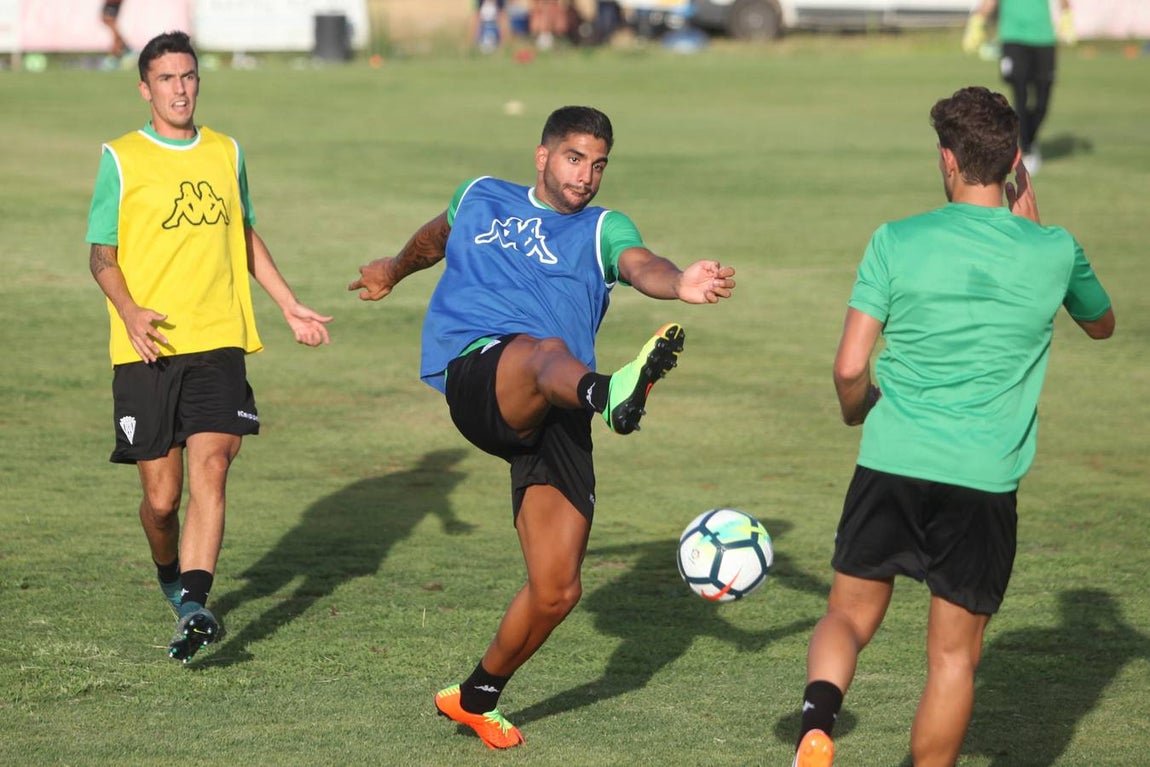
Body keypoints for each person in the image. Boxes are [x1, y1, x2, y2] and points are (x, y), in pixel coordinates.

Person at [349, 105, 735, 749]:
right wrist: (392, 268)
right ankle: (608, 392)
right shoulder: (481, 195)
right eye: (574, 159)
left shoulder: (601, 228)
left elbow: (642, 264)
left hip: (561, 404)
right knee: (546, 348)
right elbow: (436, 236)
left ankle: (475, 696)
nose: (586, 176)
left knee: (557, 589)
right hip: (483, 372)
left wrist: (680, 284)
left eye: (599, 164)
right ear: (543, 156)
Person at [791, 86, 1113, 767]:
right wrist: (1036, 223)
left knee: (847, 616)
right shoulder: (1054, 249)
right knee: (953, 658)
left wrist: (859, 410)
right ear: (1014, 162)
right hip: (983, 480)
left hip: (892, 458)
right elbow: (1100, 322)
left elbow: (850, 368)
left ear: (947, 160)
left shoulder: (896, 239)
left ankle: (818, 725)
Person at [86, 31, 333, 664]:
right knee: (162, 501)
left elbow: (243, 234)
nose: (180, 88)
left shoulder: (226, 152)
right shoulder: (120, 157)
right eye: (166, 79)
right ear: (145, 88)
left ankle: (194, 605)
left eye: (188, 76)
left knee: (213, 469)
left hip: (219, 337)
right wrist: (130, 310)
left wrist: (287, 302)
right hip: (147, 349)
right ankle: (169, 572)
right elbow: (101, 255)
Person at [962, 0, 1077, 173]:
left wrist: (1066, 15)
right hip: (1013, 38)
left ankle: (1028, 139)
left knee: (1042, 102)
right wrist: (977, 21)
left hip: (1043, 38)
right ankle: (1026, 150)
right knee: (1020, 95)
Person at [100, 0, 129, 68]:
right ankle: (124, 48)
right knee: (107, 21)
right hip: (111, 3)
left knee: (109, 21)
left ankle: (117, 54)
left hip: (113, 2)